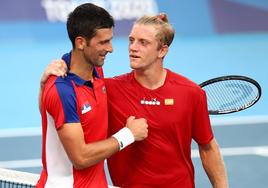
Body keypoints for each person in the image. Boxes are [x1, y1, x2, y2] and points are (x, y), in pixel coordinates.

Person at [41, 13, 228, 187]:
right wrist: (46, 81)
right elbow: (61, 98)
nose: (133, 48)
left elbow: (208, 148)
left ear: (162, 51)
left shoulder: (190, 93)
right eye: (131, 40)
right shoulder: (107, 89)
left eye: (143, 42)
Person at [36, 3, 148, 188]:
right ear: (80, 42)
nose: (111, 48)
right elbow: (80, 157)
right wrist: (128, 135)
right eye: (103, 42)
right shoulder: (62, 89)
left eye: (110, 40)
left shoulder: (95, 70)